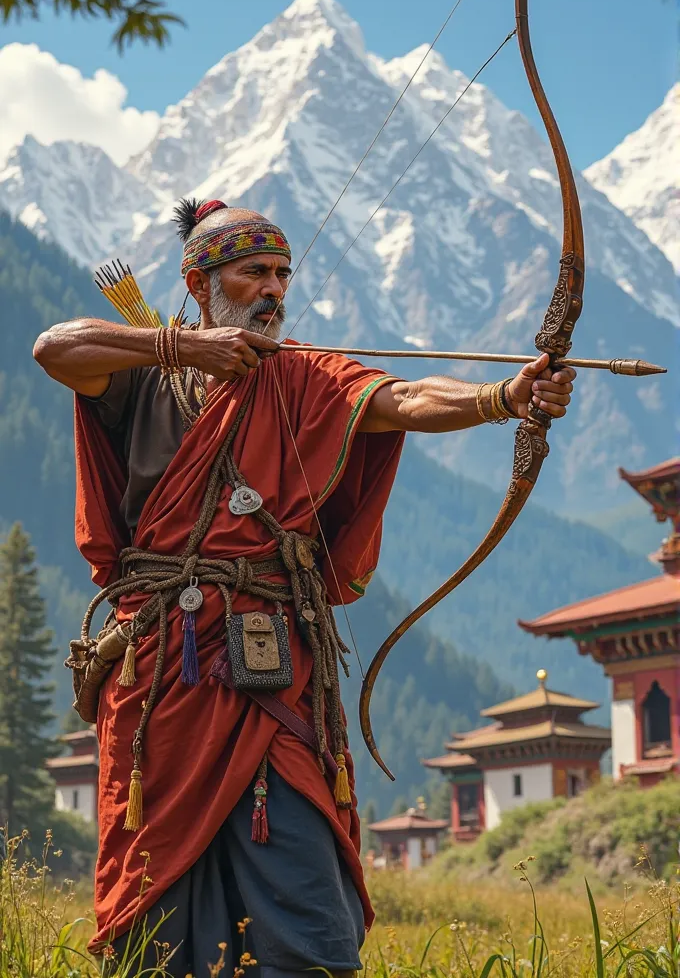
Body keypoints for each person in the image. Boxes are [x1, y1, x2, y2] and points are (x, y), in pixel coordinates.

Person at [33, 199, 576, 977]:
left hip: (271, 671)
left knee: (306, 908)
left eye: (284, 273)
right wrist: (178, 346)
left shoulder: (305, 374)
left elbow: (404, 401)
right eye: (255, 271)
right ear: (199, 283)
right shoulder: (143, 373)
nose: (274, 288)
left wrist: (505, 399)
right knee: (153, 919)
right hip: (161, 668)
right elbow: (54, 348)